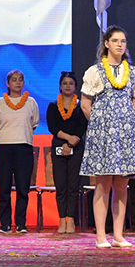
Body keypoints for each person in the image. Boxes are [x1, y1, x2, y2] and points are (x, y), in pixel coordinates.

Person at [80, 26, 135, 249]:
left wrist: (125, 121)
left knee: (121, 184)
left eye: (123, 41)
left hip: (125, 134)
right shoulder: (95, 71)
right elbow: (85, 104)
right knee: (103, 184)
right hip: (103, 134)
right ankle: (101, 235)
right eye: (116, 40)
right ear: (106, 43)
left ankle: (118, 235)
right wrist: (100, 125)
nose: (120, 44)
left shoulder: (134, 72)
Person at [0, 70, 39, 234]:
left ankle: (21, 223)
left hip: (24, 147)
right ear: (7, 83)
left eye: (20, 80)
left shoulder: (31, 102)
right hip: (3, 147)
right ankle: (4, 224)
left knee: (23, 188)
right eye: (14, 80)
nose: (17, 83)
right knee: (4, 187)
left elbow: (34, 123)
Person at [45, 71, 87, 234]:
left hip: (76, 146)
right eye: (65, 83)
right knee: (61, 184)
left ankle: (72, 220)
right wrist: (67, 139)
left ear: (75, 86)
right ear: (60, 86)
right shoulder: (53, 106)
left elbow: (82, 125)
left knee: (73, 185)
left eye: (71, 83)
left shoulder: (81, 106)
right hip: (58, 146)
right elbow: (52, 127)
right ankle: (62, 219)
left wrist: (71, 142)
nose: (68, 86)